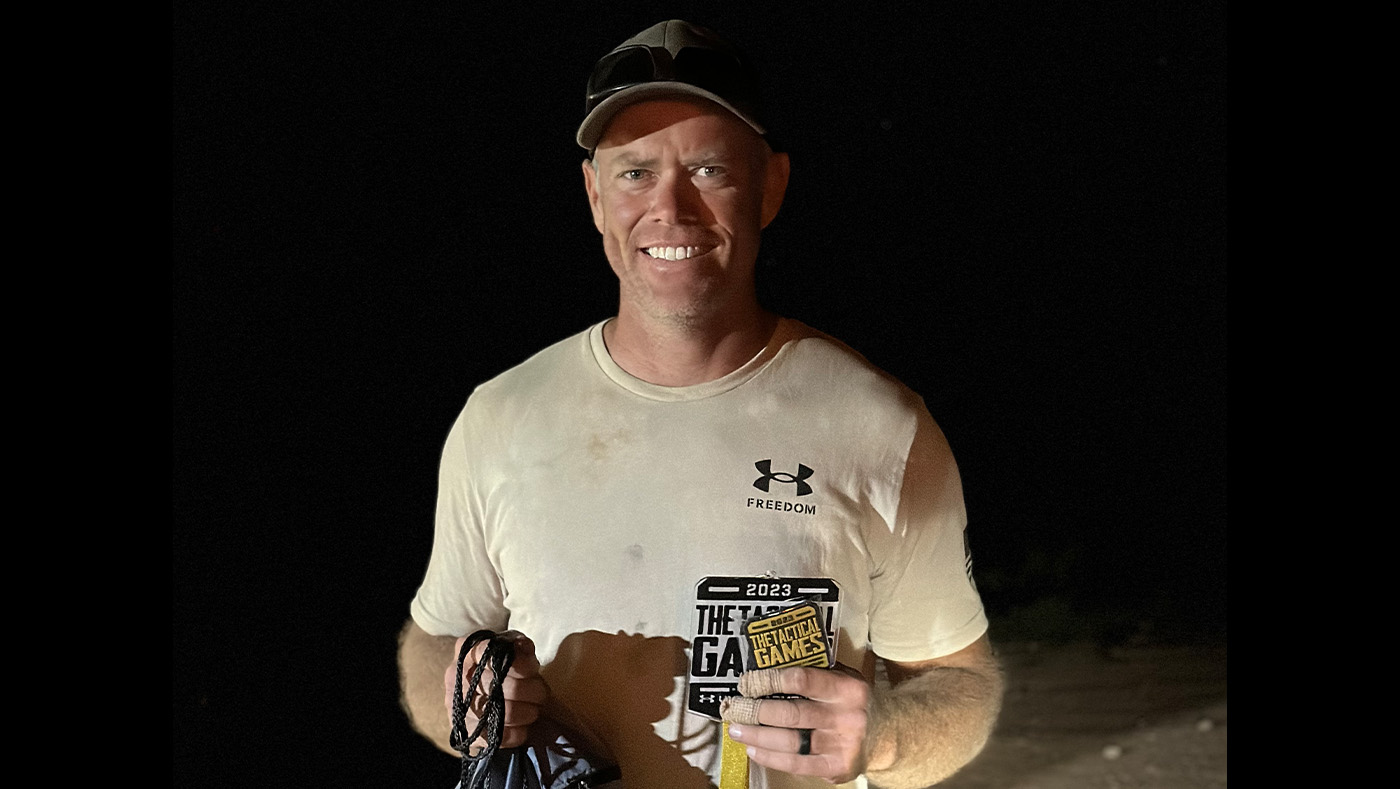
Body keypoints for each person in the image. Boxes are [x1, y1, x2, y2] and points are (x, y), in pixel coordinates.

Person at [398, 19, 1004, 789]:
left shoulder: (882, 426)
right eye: (634, 172)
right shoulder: (501, 416)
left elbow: (960, 685)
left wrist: (881, 733)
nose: (670, 208)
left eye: (710, 169)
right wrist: (459, 698)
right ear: (593, 195)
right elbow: (433, 645)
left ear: (771, 184)